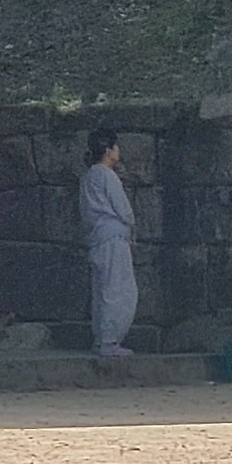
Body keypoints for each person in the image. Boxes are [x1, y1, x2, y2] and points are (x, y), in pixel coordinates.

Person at [80, 127, 137, 358]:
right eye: (115, 147)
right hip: (113, 237)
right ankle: (110, 339)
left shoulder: (88, 177)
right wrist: (131, 223)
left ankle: (101, 337)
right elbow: (122, 207)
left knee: (102, 289)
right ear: (108, 150)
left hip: (97, 238)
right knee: (118, 289)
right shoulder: (106, 176)